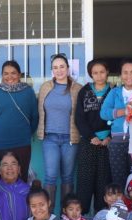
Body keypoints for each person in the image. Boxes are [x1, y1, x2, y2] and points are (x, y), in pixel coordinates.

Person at [37, 54, 83, 203]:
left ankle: (66, 213)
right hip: (49, 138)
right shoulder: (45, 87)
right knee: (50, 176)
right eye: (55, 67)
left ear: (68, 69)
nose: (59, 70)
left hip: (70, 138)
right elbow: (38, 110)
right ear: (52, 70)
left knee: (68, 177)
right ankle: (47, 213)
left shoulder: (77, 89)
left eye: (62, 66)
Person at [0, 61, 38, 180]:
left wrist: (25, 132)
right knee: (2, 177)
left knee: (22, 177)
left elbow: (35, 117)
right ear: (2, 75)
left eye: (13, 73)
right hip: (0, 143)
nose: (9, 76)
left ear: (19, 74)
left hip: (22, 142)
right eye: (6, 73)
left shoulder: (28, 92)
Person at [75, 59, 113, 214]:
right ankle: (81, 219)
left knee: (103, 183)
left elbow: (118, 118)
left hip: (107, 144)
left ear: (107, 72)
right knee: (85, 182)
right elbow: (79, 118)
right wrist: (91, 136)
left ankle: (101, 219)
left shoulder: (114, 91)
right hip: (88, 142)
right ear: (91, 74)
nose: (99, 76)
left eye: (102, 72)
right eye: (95, 73)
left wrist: (110, 137)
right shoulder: (84, 91)